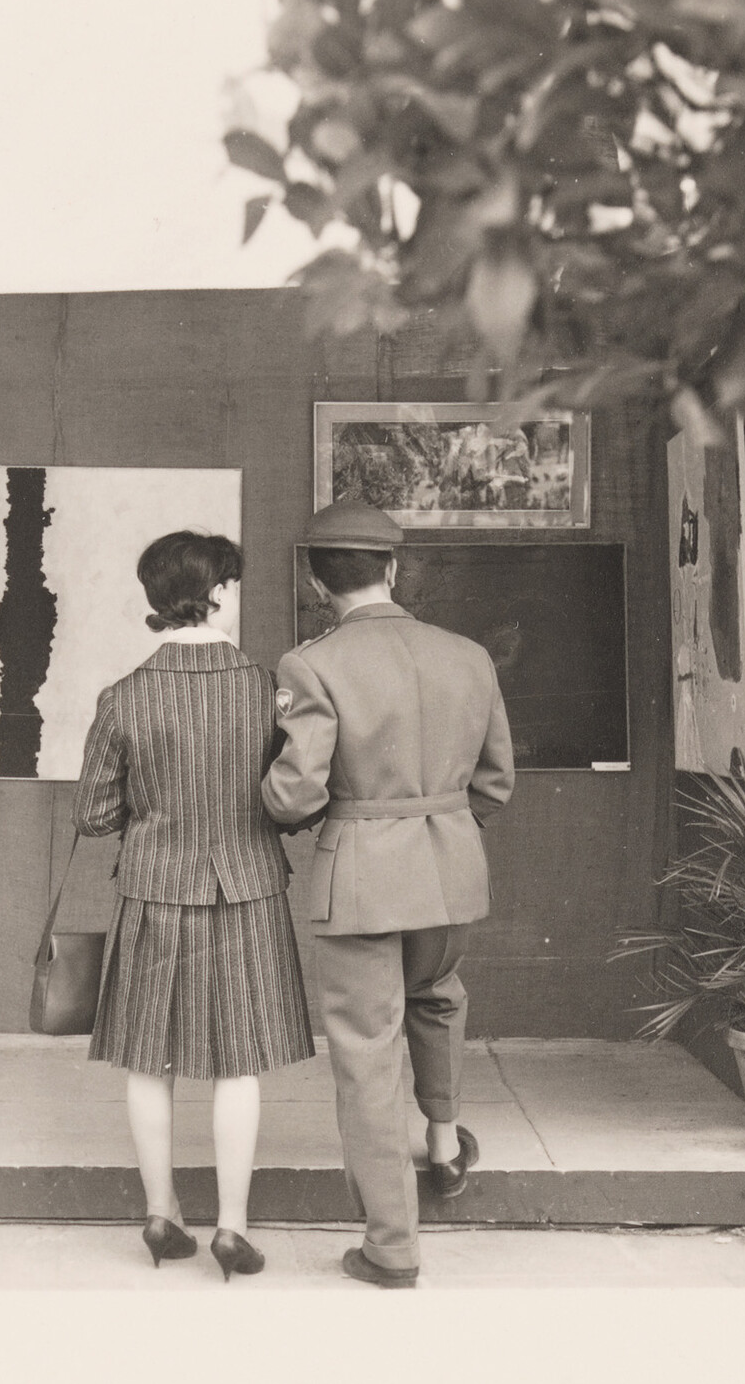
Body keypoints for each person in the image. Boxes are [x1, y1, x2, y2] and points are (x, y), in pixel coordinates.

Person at [262, 502, 516, 1288]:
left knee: (367, 1056)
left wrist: (273, 801)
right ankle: (444, 1144)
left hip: (363, 882)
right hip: (451, 872)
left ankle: (393, 1246)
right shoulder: (469, 655)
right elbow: (496, 782)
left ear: (315, 580)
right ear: (394, 570)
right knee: (439, 998)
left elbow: (295, 794)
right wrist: (438, 828)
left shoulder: (311, 664)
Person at [73, 530, 316, 1282]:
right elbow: (291, 797)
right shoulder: (266, 688)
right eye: (233, 584)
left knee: (150, 1059)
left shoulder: (123, 699)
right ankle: (233, 1229)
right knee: (238, 1062)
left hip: (152, 890)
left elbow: (93, 816)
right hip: (246, 888)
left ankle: (161, 1212)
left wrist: (153, 815)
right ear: (217, 594)